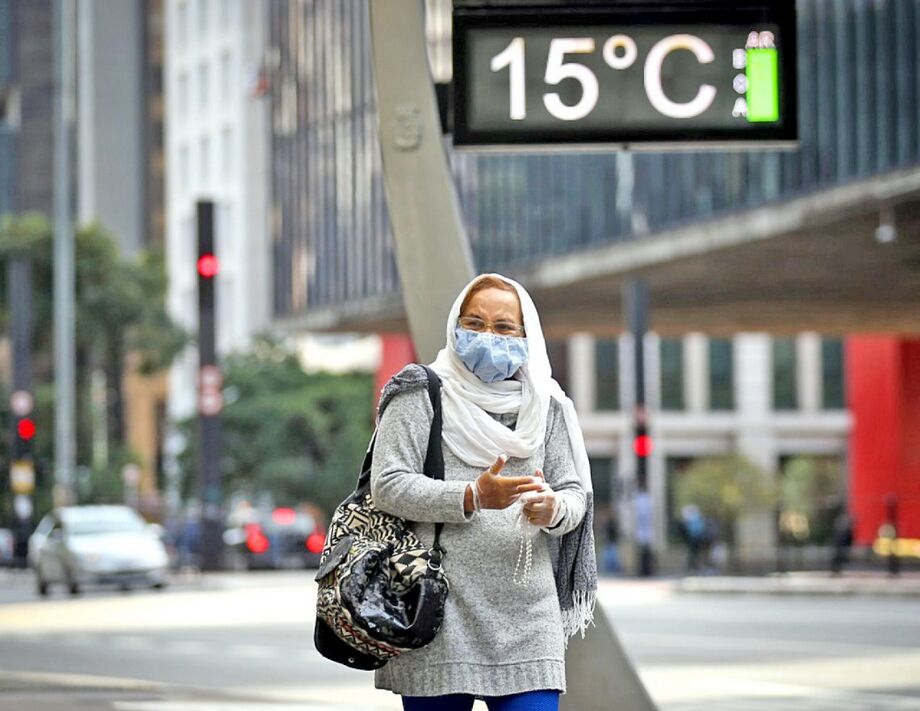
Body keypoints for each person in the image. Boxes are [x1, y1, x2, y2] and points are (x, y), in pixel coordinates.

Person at [370, 274, 598, 711]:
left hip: (527, 614)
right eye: (474, 323)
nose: (488, 336)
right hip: (434, 609)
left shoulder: (547, 405)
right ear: (455, 326)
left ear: (526, 335)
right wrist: (472, 496)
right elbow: (388, 484)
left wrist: (552, 508)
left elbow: (574, 494)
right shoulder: (420, 391)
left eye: (504, 327)